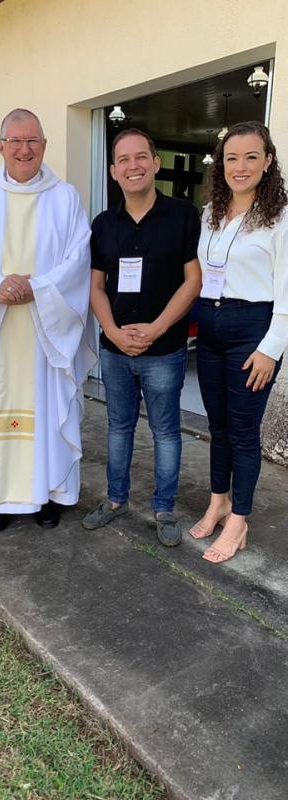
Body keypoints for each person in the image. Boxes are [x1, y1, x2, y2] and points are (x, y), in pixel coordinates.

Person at [0, 108, 95, 532]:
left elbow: (77, 260)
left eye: (32, 141)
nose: (24, 149)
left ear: (45, 146)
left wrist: (40, 288)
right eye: (15, 141)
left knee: (48, 408)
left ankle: (49, 494)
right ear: (1, 147)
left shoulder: (65, 198)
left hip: (45, 332)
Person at [83, 129, 201, 546]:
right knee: (118, 428)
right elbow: (96, 287)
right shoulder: (103, 224)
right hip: (115, 351)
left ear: (155, 163)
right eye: (123, 160)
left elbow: (192, 281)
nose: (132, 166)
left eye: (140, 157)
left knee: (166, 432)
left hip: (163, 350)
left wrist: (157, 329)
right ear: (114, 171)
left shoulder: (184, 215)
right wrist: (113, 331)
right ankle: (116, 500)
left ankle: (164, 508)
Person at [190, 120, 288, 563]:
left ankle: (239, 520)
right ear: (221, 164)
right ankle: (218, 501)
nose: (240, 166)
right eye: (232, 157)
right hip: (210, 327)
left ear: (268, 162)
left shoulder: (281, 217)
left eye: (251, 156)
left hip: (254, 330)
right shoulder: (210, 212)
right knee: (219, 427)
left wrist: (271, 348)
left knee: (245, 433)